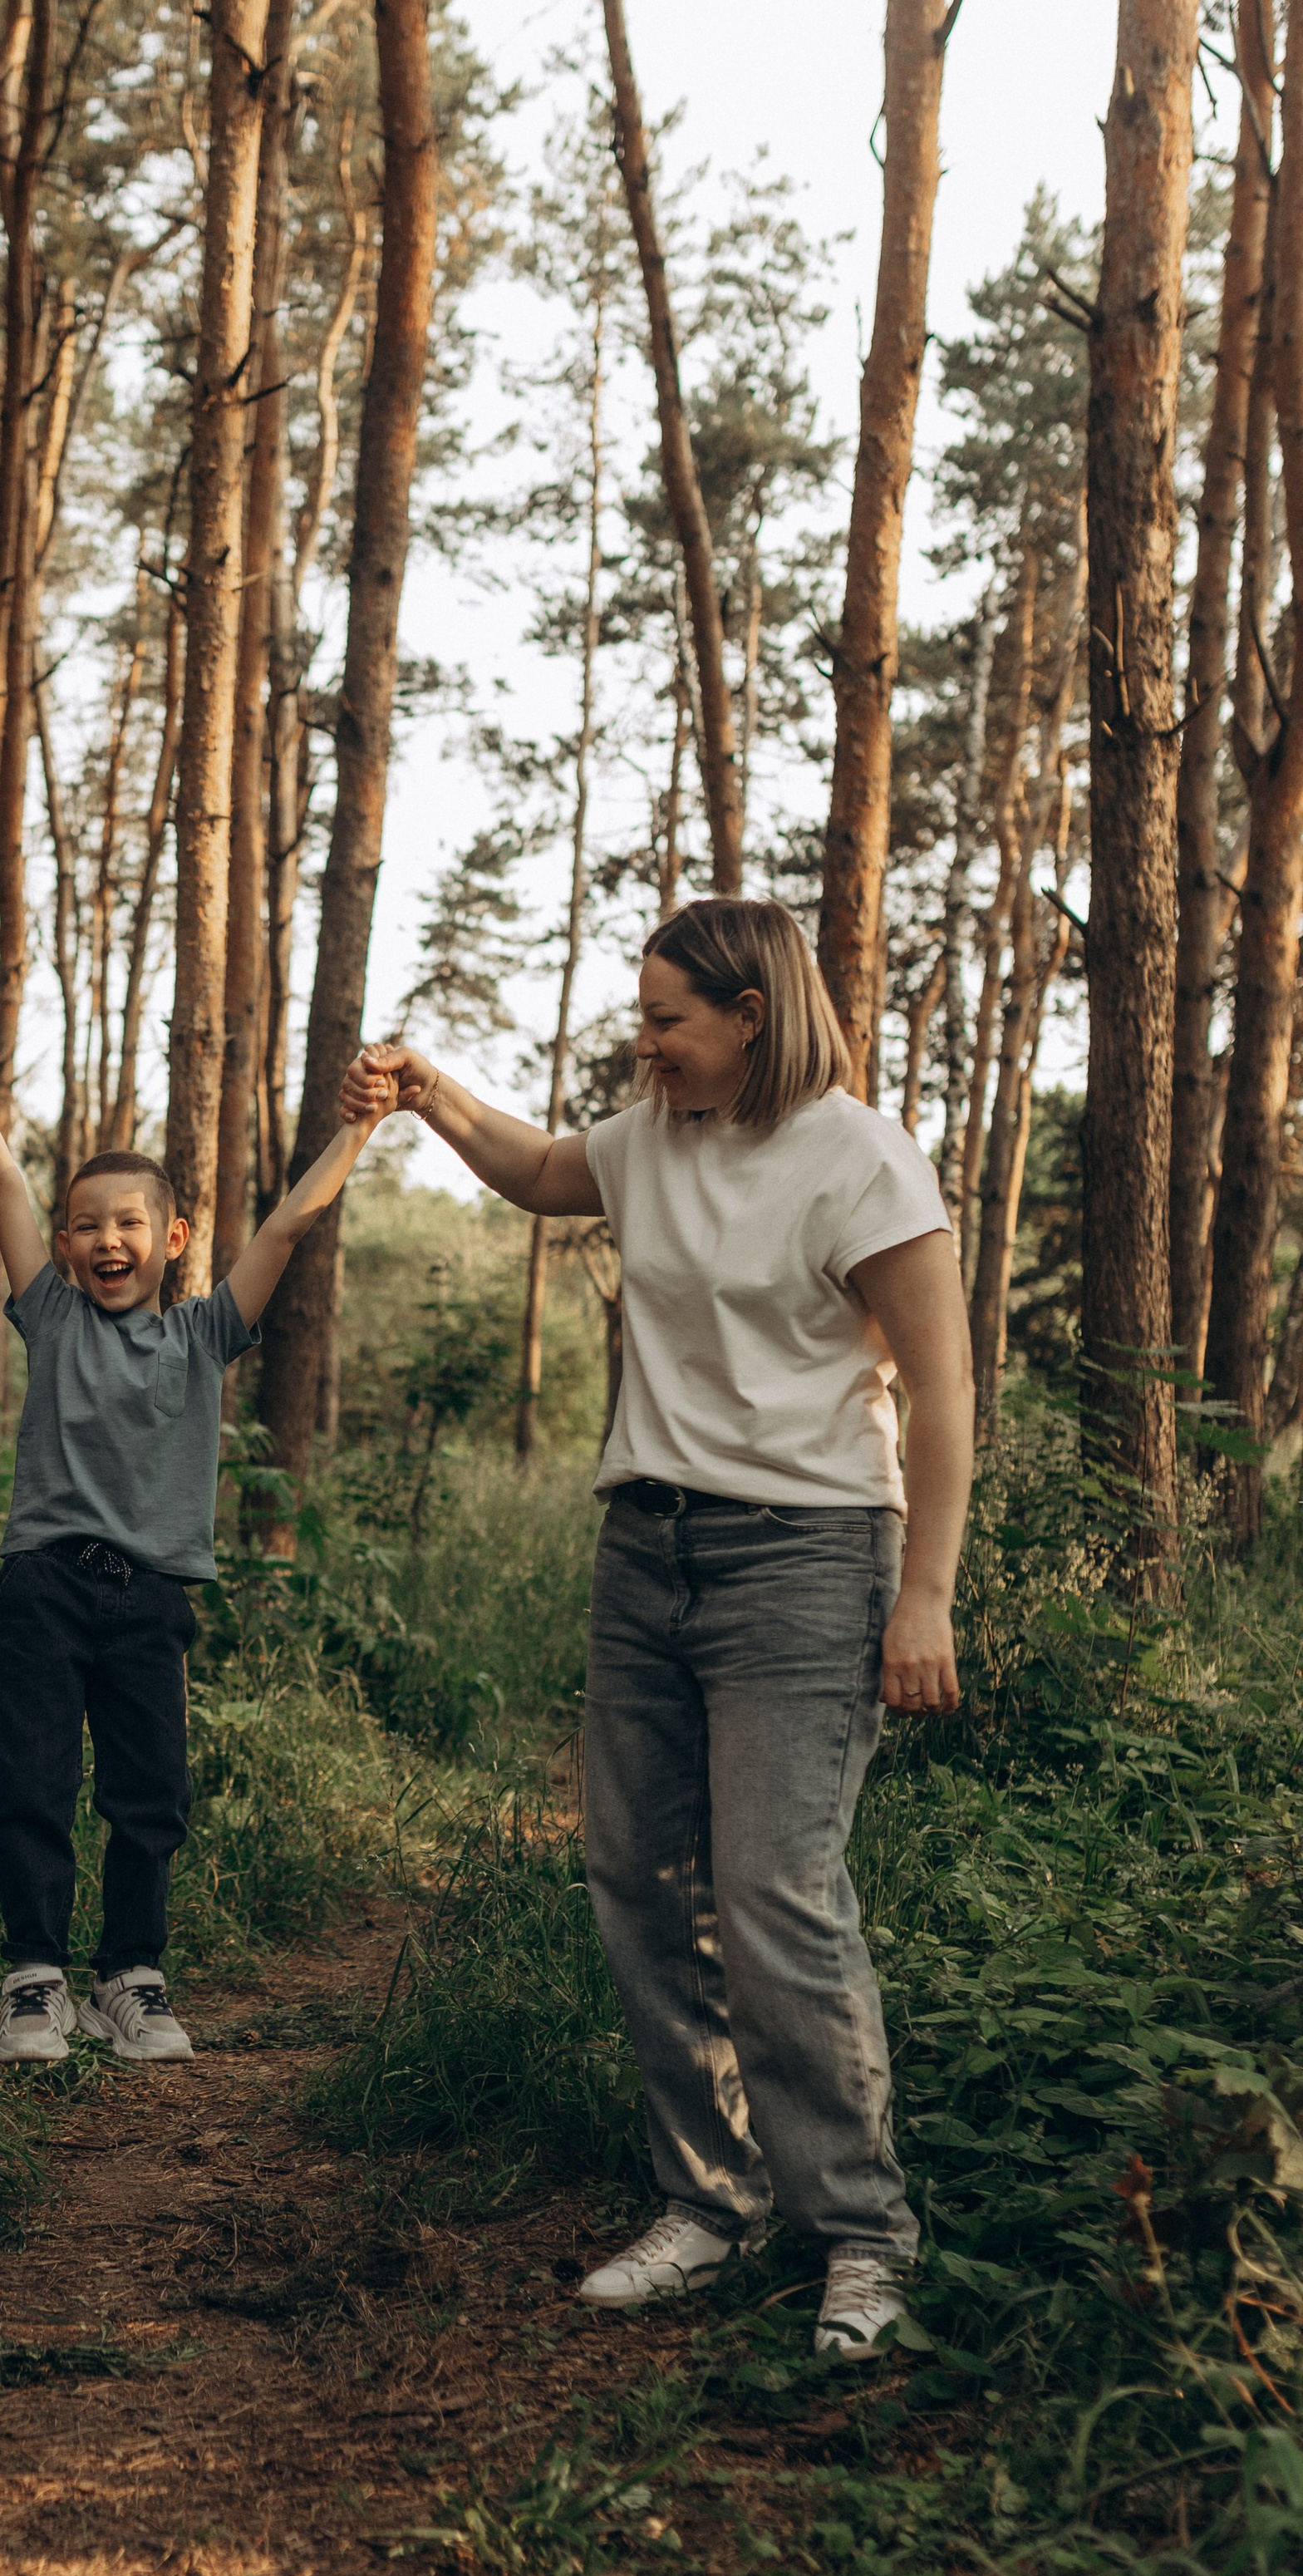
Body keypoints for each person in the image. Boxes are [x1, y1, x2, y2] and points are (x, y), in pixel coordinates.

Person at [346, 898, 975, 2362]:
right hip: (647, 1551)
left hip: (808, 1563)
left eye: (667, 1020)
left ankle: (863, 2240)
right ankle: (710, 2201)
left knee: (773, 1897)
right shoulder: (647, 1137)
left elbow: (941, 1393)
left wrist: (926, 1593)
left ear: (750, 1014)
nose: (646, 1043)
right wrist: (430, 1091)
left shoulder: (860, 1162)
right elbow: (540, 1170)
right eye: (643, 1019)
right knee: (640, 1879)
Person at [0, 996, 388, 2067]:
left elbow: (288, 1225)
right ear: (67, 1243)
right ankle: (33, 1985)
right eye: (86, 1224)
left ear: (171, 1240)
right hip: (42, 1586)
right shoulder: (52, 1313)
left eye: (128, 1223)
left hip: (151, 1598)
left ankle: (131, 1977)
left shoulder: (205, 1334)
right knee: (30, 1784)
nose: (104, 1239)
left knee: (149, 1795)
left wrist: (360, 1129)